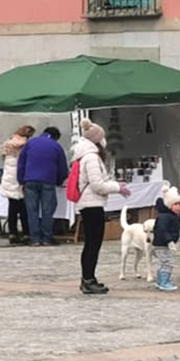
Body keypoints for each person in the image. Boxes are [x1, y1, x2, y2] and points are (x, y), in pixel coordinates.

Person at [72, 119, 129, 294]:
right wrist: (117, 188)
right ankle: (88, 279)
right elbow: (97, 185)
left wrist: (112, 184)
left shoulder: (86, 155)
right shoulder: (91, 157)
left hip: (90, 203)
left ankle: (88, 278)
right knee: (92, 243)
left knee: (92, 243)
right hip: (91, 204)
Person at [17, 125, 69, 247]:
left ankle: (34, 238)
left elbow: (21, 163)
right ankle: (47, 237)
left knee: (32, 211)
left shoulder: (30, 143)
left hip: (30, 180)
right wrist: (59, 181)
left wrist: (21, 180)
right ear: (56, 137)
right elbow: (62, 168)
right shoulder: (56, 146)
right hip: (48, 181)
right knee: (47, 210)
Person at [0, 125, 35, 244]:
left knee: (12, 208)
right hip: (19, 178)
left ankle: (12, 233)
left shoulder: (8, 143)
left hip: (8, 178)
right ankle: (26, 233)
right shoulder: (25, 145)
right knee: (24, 208)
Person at [151, 185, 180, 292]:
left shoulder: (169, 216)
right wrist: (169, 240)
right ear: (169, 205)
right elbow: (161, 230)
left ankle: (161, 281)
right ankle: (164, 282)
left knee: (164, 262)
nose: (178, 207)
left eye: (179, 204)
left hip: (163, 244)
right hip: (162, 244)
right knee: (168, 262)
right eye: (175, 204)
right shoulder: (165, 217)